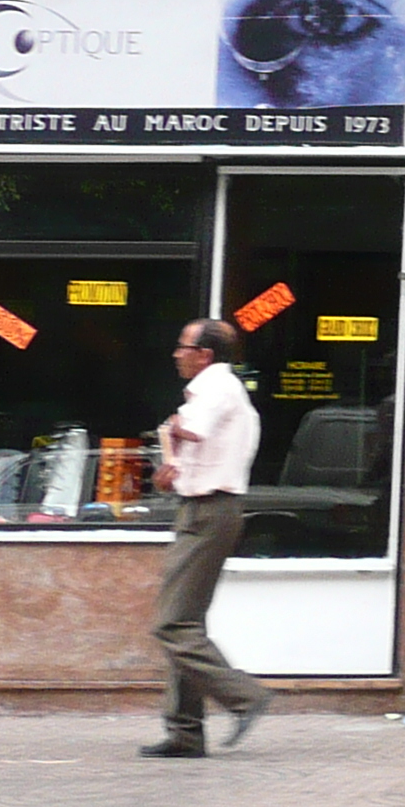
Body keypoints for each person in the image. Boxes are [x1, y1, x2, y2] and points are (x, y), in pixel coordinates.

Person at [138, 317, 273, 759]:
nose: (177, 354)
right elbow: (194, 451)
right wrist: (172, 468)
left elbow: (192, 428)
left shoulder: (216, 385)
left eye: (184, 347)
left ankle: (244, 697)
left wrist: (174, 426)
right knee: (186, 623)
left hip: (210, 512)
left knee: (172, 624)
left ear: (205, 355)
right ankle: (185, 732)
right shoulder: (218, 388)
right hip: (202, 507)